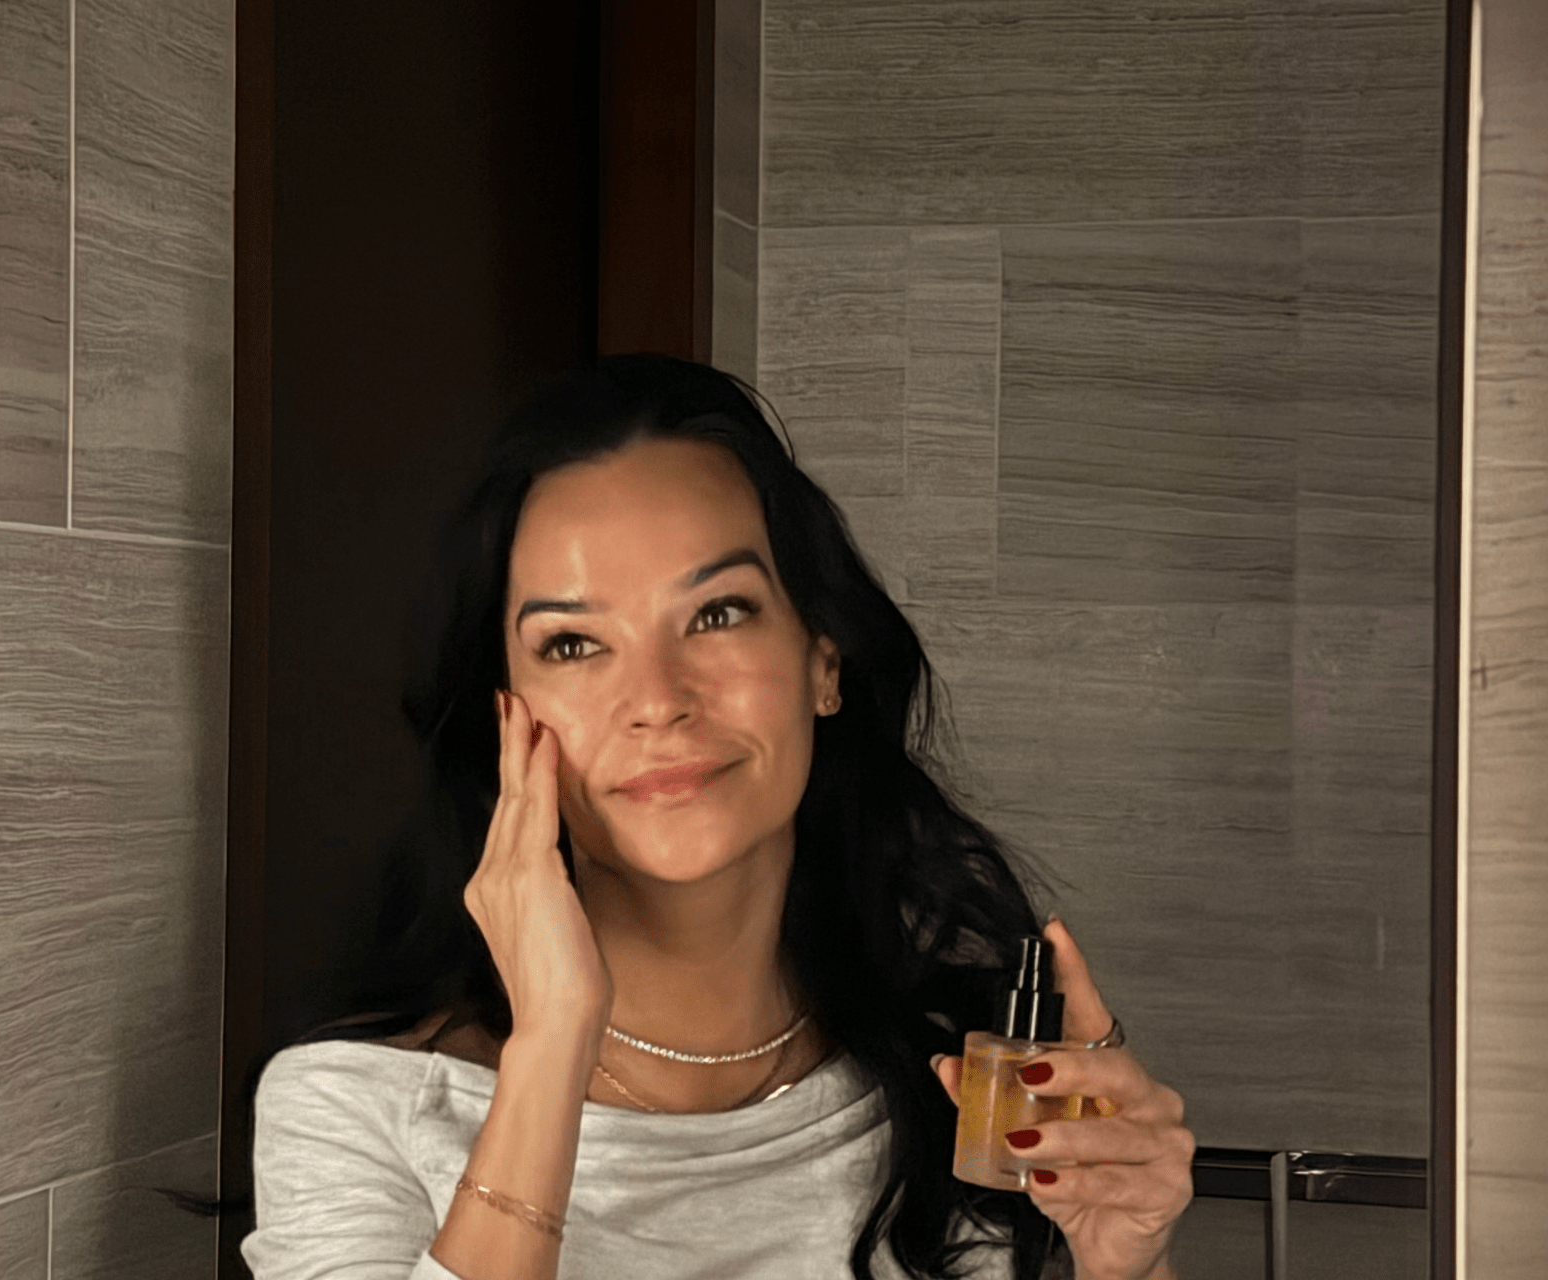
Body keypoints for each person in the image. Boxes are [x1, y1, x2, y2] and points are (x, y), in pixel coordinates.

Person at [242, 356, 1196, 1280]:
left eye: (717, 614)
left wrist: (1127, 1266)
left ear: (823, 662)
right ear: (509, 713)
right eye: (573, 643)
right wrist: (554, 1042)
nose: (656, 698)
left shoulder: (969, 1096)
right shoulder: (354, 1108)